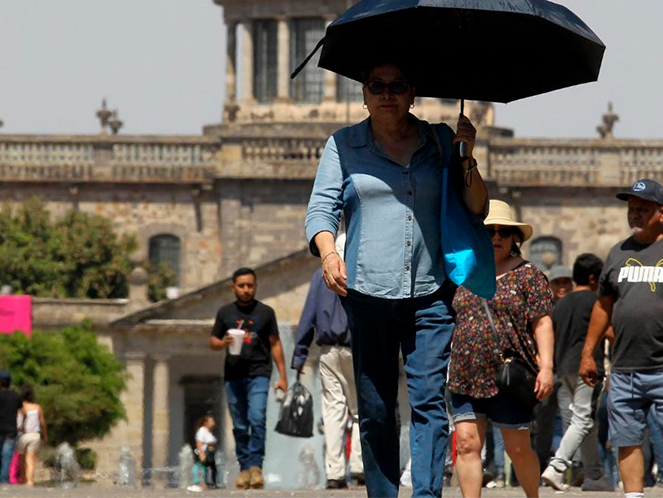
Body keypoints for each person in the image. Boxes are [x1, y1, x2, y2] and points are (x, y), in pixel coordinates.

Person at [305, 60, 488, 498]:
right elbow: (320, 209)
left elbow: (478, 208)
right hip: (367, 294)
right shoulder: (343, 145)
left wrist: (466, 157)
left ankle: (426, 494)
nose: (387, 93)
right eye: (377, 85)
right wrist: (329, 253)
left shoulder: (442, 141)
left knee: (427, 402)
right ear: (364, 94)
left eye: (397, 86)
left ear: (412, 94)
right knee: (376, 408)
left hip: (430, 294)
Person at [580, 178, 663, 498]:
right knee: (627, 441)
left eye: (643, 209)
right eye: (631, 209)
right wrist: (589, 352)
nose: (635, 214)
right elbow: (603, 306)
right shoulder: (617, 254)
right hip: (625, 366)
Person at [447, 200, 553, 498]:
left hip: (508, 375)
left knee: (517, 447)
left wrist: (546, 367)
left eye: (503, 232)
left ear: (513, 238)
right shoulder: (462, 273)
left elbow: (542, 322)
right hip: (465, 373)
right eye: (489, 231)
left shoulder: (528, 275)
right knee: (467, 444)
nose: (496, 237)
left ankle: (533, 496)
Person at [292, 234, 363, 490]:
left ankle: (334, 473)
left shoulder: (320, 278)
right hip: (358, 349)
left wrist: (300, 354)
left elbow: (308, 317)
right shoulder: (360, 273)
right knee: (359, 409)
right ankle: (358, 466)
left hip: (328, 351)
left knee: (333, 411)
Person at [208, 268, 289, 489]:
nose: (246, 290)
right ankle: (244, 468)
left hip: (259, 373)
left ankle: (256, 466)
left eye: (250, 285)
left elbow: (275, 343)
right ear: (233, 287)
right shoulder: (225, 313)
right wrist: (224, 342)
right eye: (242, 286)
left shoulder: (265, 312)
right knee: (240, 424)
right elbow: (213, 342)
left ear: (255, 286)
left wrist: (282, 376)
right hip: (233, 375)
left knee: (257, 417)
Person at [541, 253, 611, 492]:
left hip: (565, 369)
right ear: (594, 278)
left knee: (585, 421)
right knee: (583, 419)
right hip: (588, 369)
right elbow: (611, 333)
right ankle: (557, 467)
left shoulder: (560, 304)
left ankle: (594, 475)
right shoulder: (596, 301)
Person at [0, 370, 23, 485]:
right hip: (11, 430)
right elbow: (21, 410)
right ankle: (3, 481)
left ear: (0, 382)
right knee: (6, 456)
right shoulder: (15, 396)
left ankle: (0, 480)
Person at [17, 386, 47, 486]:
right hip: (35, 435)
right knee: (31, 459)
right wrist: (45, 435)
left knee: (22, 459)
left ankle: (23, 479)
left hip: (23, 435)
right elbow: (42, 423)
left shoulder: (21, 407)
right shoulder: (38, 407)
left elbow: (18, 422)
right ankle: (30, 481)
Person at [192, 414, 218, 491]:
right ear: (205, 423)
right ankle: (198, 482)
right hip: (204, 451)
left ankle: (211, 482)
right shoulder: (202, 431)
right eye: (211, 421)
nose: (213, 422)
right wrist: (201, 453)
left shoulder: (209, 431)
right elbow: (199, 442)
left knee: (212, 468)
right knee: (201, 466)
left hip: (210, 452)